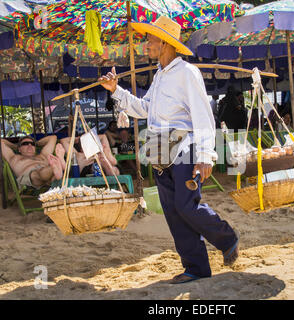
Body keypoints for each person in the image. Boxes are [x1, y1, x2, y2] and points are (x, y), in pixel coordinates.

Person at [99, 16, 239, 284]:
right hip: (161, 151)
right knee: (174, 213)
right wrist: (116, 91)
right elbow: (143, 108)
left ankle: (227, 237)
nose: (146, 44)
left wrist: (205, 156)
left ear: (164, 42)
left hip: (185, 149)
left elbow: (202, 115)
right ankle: (196, 268)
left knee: (187, 206)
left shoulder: (187, 73)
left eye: (150, 39)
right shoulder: (161, 76)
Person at [0, 135, 64, 189]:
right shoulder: (14, 158)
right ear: (19, 149)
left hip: (47, 172)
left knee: (51, 175)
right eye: (25, 144)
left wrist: (37, 143)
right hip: (29, 176)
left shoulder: (42, 156)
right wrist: (15, 146)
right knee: (37, 174)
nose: (30, 146)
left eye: (32, 144)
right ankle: (57, 166)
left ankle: (55, 170)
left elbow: (53, 138)